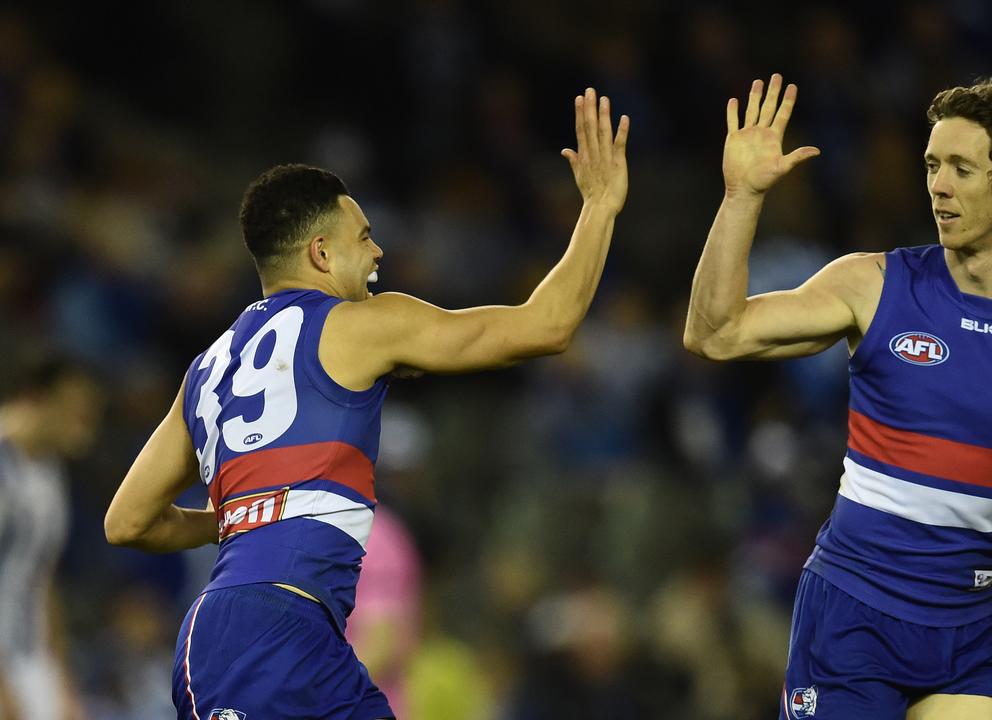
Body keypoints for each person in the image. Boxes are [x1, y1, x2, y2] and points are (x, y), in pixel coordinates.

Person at [104, 88, 629, 720]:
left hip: (231, 635)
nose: (378, 251)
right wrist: (599, 207)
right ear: (321, 253)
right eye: (365, 235)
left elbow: (128, 520)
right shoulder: (361, 325)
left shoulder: (206, 368)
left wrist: (243, 518)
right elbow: (544, 327)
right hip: (279, 632)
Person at [683, 73, 992, 720]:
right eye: (931, 165)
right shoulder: (873, 286)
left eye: (960, 168)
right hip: (851, 619)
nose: (938, 185)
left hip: (964, 634)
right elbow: (713, 335)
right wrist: (740, 198)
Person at [0, 351, 104, 720]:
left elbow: (43, 579)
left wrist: (61, 678)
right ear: (37, 398)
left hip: (28, 657)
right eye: (77, 410)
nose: (87, 425)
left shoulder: (47, 471)